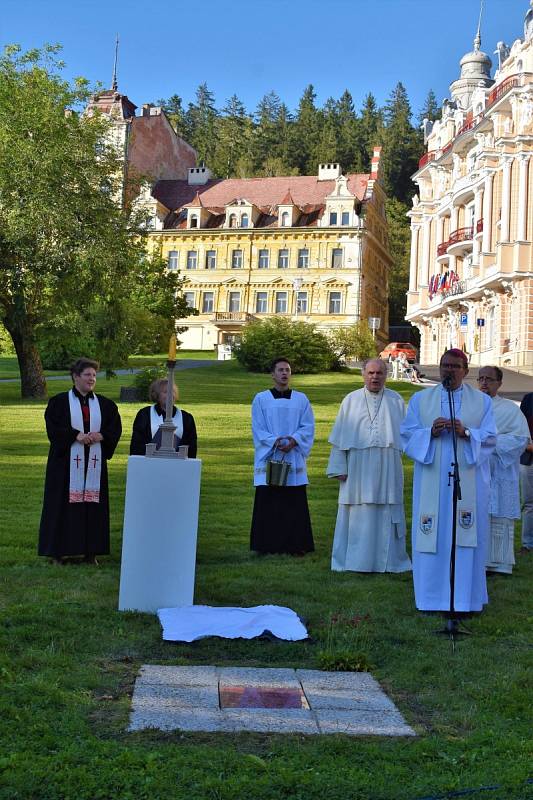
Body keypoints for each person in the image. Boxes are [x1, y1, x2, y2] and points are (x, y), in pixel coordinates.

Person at [401, 349, 496, 613]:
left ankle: (465, 600)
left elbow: (490, 438)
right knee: (433, 534)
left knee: (465, 535)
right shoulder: (421, 400)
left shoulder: (482, 402)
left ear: (465, 371)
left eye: (455, 366)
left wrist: (466, 433)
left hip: (468, 483)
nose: (448, 370)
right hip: (432, 478)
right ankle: (431, 599)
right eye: (445, 365)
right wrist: (429, 432)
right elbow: (406, 435)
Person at [326, 358, 411, 573]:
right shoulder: (350, 400)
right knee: (357, 509)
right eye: (371, 373)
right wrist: (339, 467)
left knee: (386, 508)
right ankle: (355, 561)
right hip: (357, 466)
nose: (375, 377)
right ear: (363, 374)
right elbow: (339, 437)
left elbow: (408, 436)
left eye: (379, 373)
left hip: (388, 465)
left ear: (386, 375)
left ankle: (389, 561)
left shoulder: (396, 400)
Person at [38, 358, 122, 564]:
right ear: (75, 377)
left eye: (94, 375)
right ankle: (58, 552)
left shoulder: (106, 405)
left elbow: (114, 429)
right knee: (62, 505)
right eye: (87, 375)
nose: (92, 379)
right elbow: (54, 428)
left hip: (93, 463)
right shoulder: (58, 402)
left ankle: (90, 552)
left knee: (92, 505)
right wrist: (76, 435)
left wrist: (100, 436)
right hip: (65, 464)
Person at [250, 357, 314, 555]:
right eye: (280, 370)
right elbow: (258, 427)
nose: (284, 373)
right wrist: (276, 441)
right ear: (273, 374)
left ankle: (296, 545)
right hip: (271, 453)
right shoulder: (261, 399)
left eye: (287, 370)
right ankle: (266, 545)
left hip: (293, 454)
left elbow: (308, 426)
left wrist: (294, 440)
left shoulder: (301, 399)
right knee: (269, 501)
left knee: (293, 501)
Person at [477, 367, 529, 574]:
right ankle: (475, 560)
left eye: (489, 379)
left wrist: (487, 442)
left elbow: (520, 440)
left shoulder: (510, 410)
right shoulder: (469, 406)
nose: (484, 383)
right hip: (474, 472)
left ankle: (498, 562)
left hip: (500, 472)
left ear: (499, 383)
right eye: (480, 378)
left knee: (498, 515)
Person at [129, 378, 197, 457]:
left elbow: (191, 448)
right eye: (166, 392)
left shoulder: (186, 418)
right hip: (149, 463)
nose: (171, 395)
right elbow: (136, 445)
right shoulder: (145, 415)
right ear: (156, 395)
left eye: (173, 392)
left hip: (177, 465)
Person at [519, 392, 533, 554]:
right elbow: (520, 428)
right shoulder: (529, 399)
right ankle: (527, 544)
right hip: (529, 457)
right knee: (529, 503)